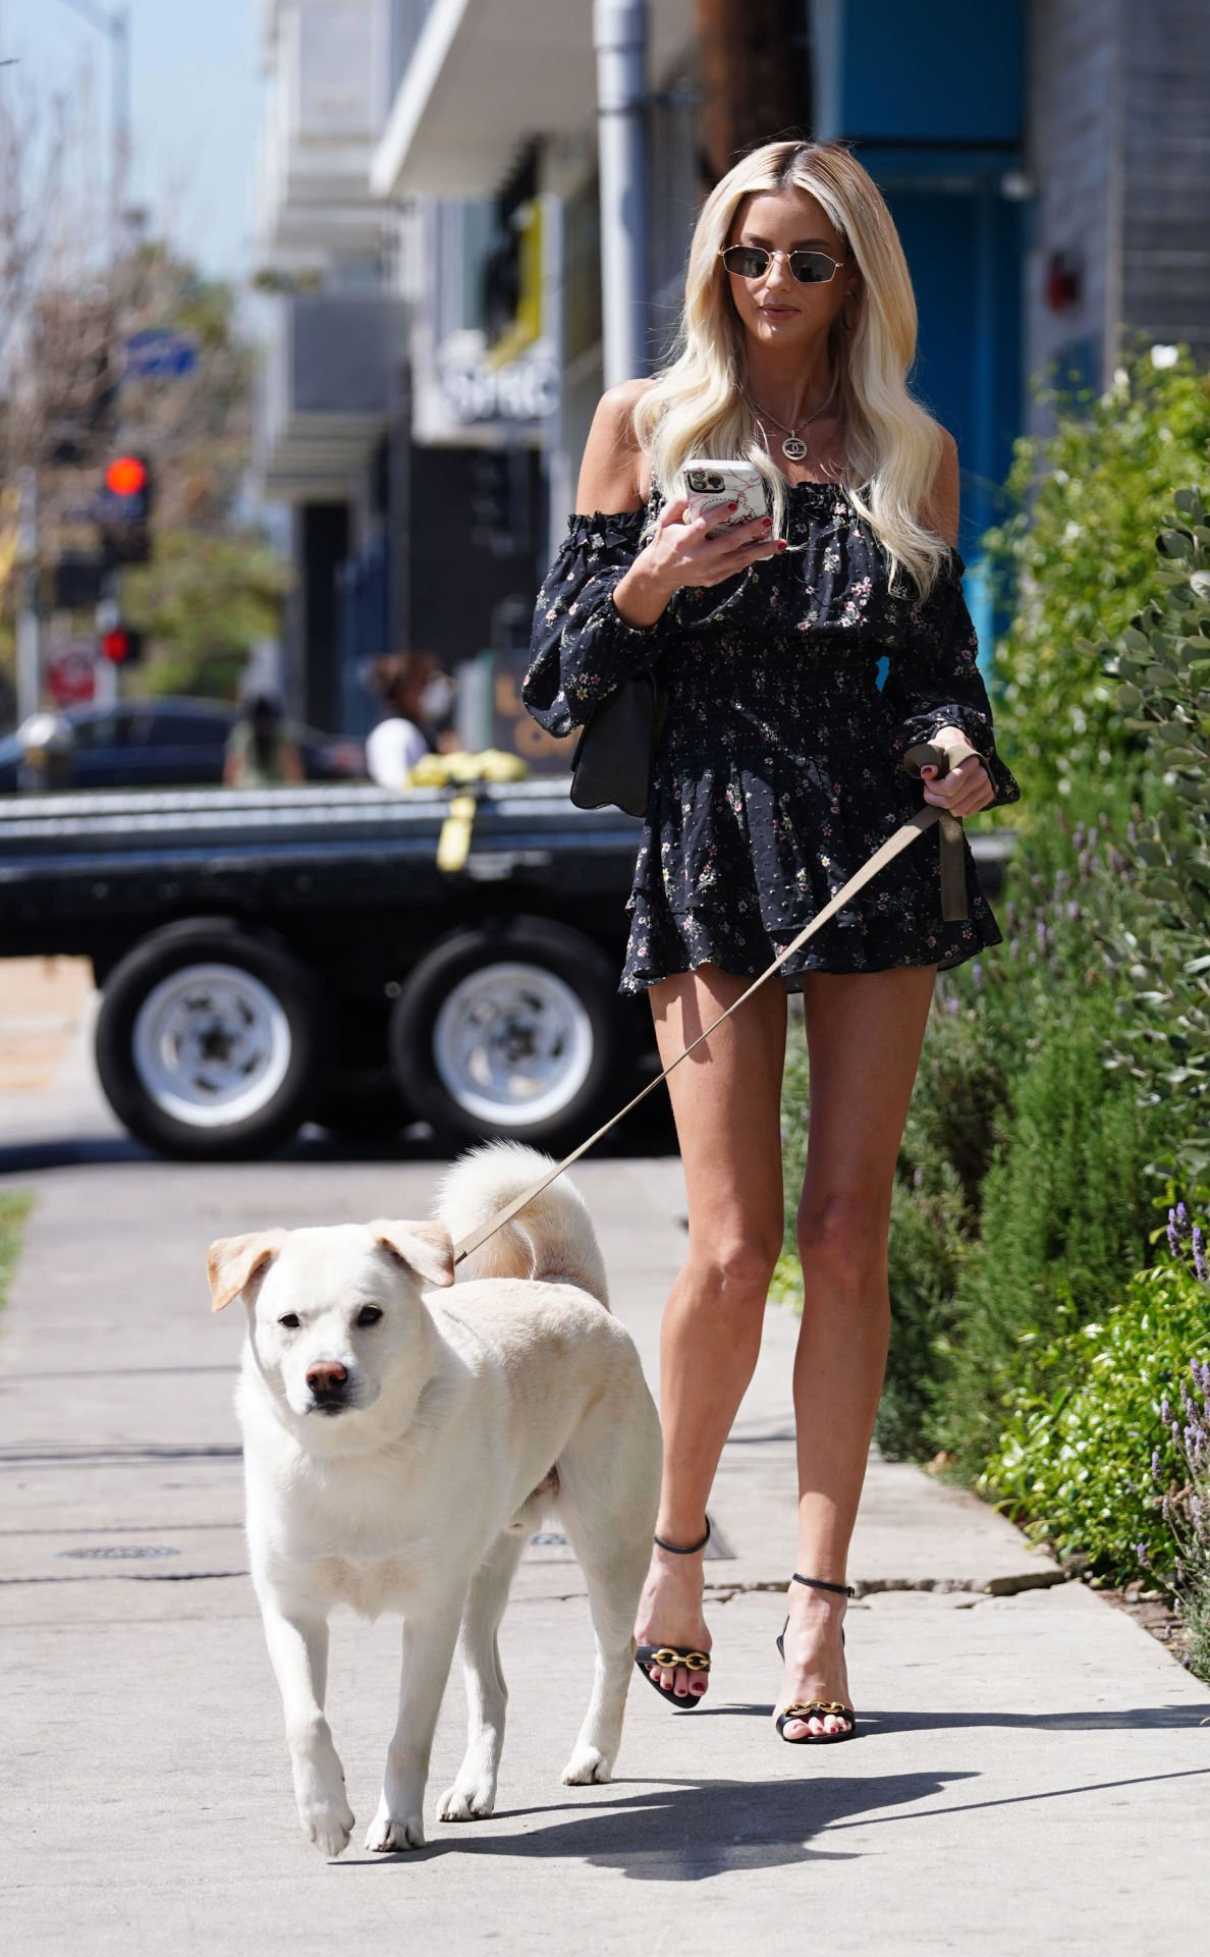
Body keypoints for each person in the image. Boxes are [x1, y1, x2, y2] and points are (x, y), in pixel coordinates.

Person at [520, 138, 1022, 1746]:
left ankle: (819, 1607)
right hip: (710, 847)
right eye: (753, 256)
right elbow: (554, 693)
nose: (779, 286)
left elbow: (940, 668)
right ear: (713, 270)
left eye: (812, 259)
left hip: (870, 852)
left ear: (857, 274)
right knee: (731, 1247)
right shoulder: (644, 426)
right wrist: (653, 579)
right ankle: (673, 1565)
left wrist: (954, 747)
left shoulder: (910, 447)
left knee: (849, 1233)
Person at [365, 650, 458, 787]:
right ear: (406, 691)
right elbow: (398, 792)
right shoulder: (393, 732)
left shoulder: (421, 731)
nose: (432, 689)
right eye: (426, 682)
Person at [222, 692, 305, 788]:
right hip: (248, 791)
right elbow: (232, 767)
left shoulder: (280, 736)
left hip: (275, 792)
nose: (262, 726)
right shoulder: (243, 735)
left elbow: (292, 768)